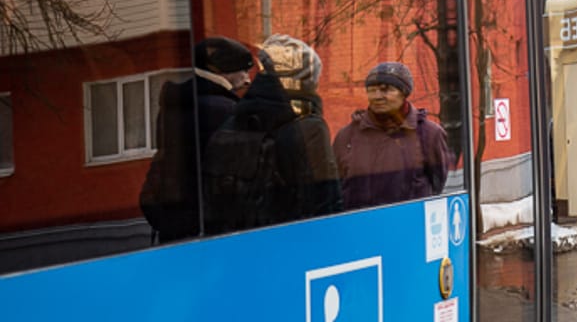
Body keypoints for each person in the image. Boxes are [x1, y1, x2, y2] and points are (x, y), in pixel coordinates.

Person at [203, 33, 342, 234]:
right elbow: (326, 203)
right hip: (295, 245)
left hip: (241, 246)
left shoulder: (234, 121)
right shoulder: (308, 126)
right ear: (306, 79)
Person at [140, 36, 253, 242]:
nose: (248, 79)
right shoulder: (226, 111)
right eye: (244, 70)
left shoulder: (173, 107)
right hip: (214, 232)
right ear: (223, 70)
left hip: (173, 227)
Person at [333, 61, 451, 211]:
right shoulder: (347, 136)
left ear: (404, 93)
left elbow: (437, 185)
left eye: (385, 90)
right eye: (371, 90)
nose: (377, 96)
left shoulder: (429, 134)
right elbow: (335, 188)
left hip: (408, 227)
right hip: (359, 228)